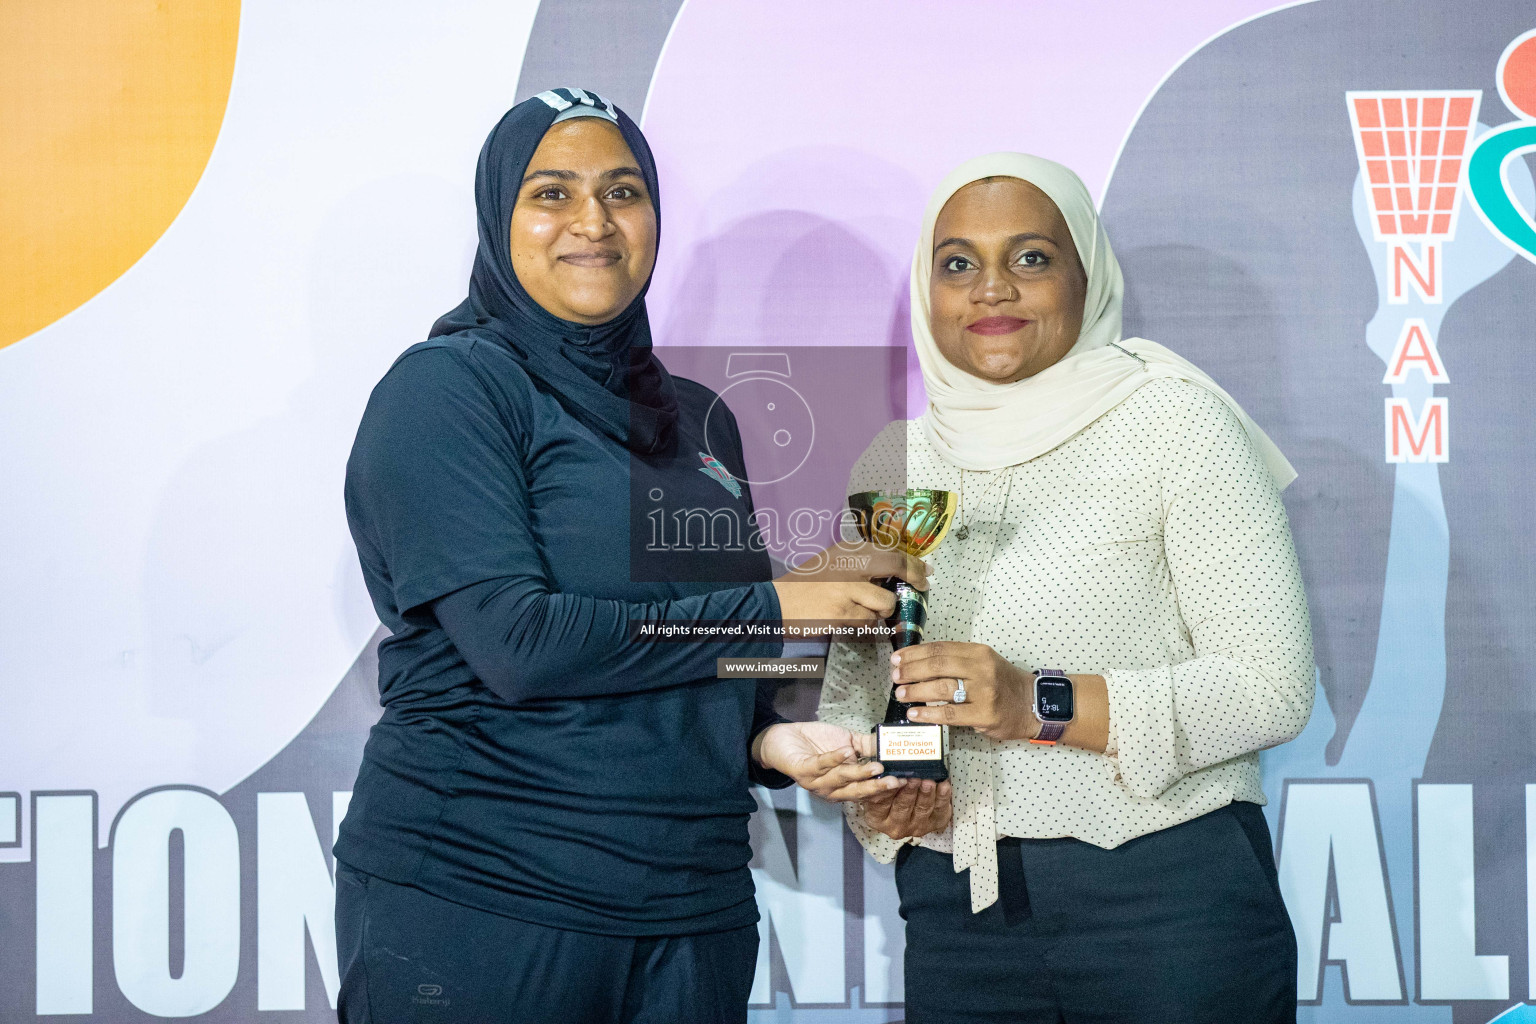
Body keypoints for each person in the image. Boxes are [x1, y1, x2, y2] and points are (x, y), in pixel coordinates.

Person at [333, 88, 916, 1024]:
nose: (593, 223)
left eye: (622, 192)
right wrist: (779, 605)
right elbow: (520, 644)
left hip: (693, 906)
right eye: (551, 193)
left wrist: (769, 739)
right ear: (498, 216)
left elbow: (719, 656)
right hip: (486, 894)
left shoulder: (693, 417)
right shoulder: (450, 391)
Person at [817, 153, 1314, 1023]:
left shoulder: (1173, 419)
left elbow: (1269, 688)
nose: (991, 289)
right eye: (958, 262)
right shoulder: (895, 462)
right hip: (960, 918)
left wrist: (1031, 701)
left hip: (1169, 909)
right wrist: (887, 800)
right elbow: (858, 700)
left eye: (1032, 258)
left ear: (1088, 277)